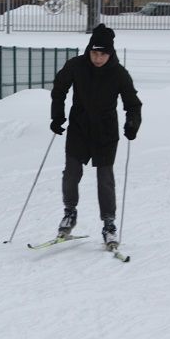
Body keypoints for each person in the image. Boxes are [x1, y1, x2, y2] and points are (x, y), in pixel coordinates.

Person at [50, 24, 142, 249]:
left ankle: (109, 224)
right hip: (79, 127)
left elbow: (132, 103)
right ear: (89, 50)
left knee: (105, 178)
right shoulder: (76, 66)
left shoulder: (119, 73)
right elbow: (59, 89)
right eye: (94, 52)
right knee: (71, 172)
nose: (97, 58)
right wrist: (57, 116)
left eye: (102, 54)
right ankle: (69, 213)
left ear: (109, 54)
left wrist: (132, 124)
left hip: (106, 131)